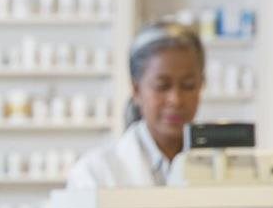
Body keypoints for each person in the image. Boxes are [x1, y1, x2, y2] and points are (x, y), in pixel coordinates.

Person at [67, 22, 206, 188]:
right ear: (136, 89)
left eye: (188, 85)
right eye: (162, 86)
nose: (175, 99)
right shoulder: (95, 172)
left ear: (201, 86)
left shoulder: (231, 167)